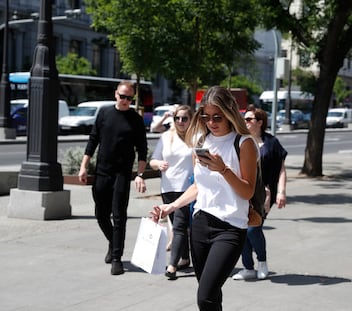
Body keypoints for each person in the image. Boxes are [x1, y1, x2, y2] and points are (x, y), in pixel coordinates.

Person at [151, 86, 258, 311]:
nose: (211, 122)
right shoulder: (201, 142)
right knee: (210, 295)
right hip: (200, 224)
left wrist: (223, 170)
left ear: (229, 113)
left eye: (217, 117)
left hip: (230, 228)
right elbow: (198, 186)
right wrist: (171, 206)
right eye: (206, 117)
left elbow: (247, 192)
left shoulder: (244, 143)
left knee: (205, 296)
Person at [78, 81, 148, 275]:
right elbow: (93, 141)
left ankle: (117, 257)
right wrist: (83, 167)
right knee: (101, 214)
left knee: (119, 216)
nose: (125, 100)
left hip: (122, 174)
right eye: (122, 96)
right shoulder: (104, 114)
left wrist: (140, 174)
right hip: (102, 172)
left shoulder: (135, 119)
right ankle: (112, 241)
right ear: (115, 94)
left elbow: (142, 150)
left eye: (129, 98)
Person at [232, 107, 287, 281]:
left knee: (252, 229)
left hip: (265, 194)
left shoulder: (271, 143)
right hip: (242, 190)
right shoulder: (240, 140)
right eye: (244, 119)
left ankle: (262, 262)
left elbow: (281, 170)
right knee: (241, 229)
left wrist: (281, 192)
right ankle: (248, 267)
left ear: (260, 122)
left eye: (249, 119)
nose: (245, 122)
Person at [149, 105, 193, 280]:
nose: (181, 122)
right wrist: (158, 164)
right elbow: (153, 160)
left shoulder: (196, 137)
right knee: (176, 223)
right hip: (168, 187)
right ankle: (185, 257)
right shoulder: (166, 137)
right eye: (177, 118)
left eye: (184, 118)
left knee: (179, 226)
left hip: (187, 188)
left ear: (191, 120)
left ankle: (172, 266)